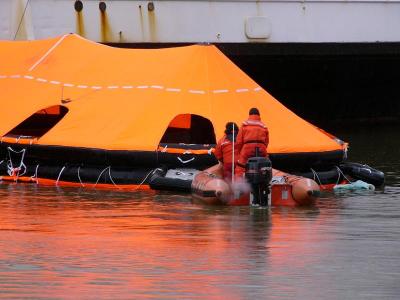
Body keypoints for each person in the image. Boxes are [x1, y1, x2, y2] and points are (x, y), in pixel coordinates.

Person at [235, 107, 269, 177]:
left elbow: (239, 141)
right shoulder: (264, 126)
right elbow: (267, 141)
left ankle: (239, 185)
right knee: (265, 165)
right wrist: (263, 148)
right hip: (261, 148)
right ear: (259, 115)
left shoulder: (245, 124)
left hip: (247, 148)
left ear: (249, 115)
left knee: (240, 167)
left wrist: (240, 152)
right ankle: (265, 183)